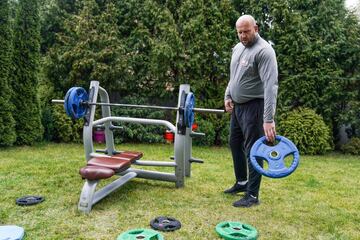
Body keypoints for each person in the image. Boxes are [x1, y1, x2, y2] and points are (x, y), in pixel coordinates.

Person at [224, 14, 278, 207]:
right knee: (234, 142)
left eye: (246, 31)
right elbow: (234, 76)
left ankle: (252, 195)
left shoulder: (264, 51)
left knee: (253, 150)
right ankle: (241, 182)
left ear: (256, 28)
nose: (242, 36)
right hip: (238, 107)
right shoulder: (238, 48)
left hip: (255, 106)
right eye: (239, 32)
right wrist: (228, 95)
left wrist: (268, 119)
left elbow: (270, 86)